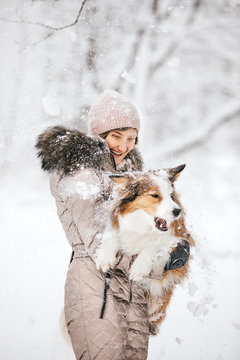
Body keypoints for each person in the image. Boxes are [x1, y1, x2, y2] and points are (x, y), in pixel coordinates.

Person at [36, 90, 190, 360]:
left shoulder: (130, 176)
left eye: (131, 138)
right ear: (99, 135)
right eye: (116, 136)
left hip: (133, 293)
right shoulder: (80, 172)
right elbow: (97, 241)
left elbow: (142, 231)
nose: (124, 145)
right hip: (96, 287)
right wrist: (160, 263)